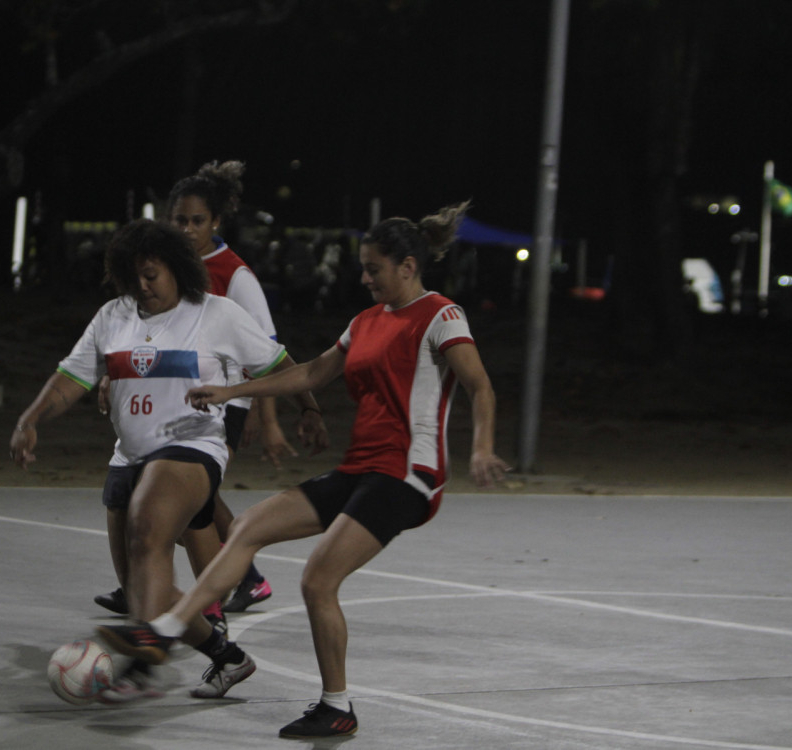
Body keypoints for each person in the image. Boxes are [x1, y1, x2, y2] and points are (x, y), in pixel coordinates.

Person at [97, 202, 511, 738]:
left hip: (407, 475)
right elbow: (314, 371)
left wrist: (481, 447)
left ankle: (336, 706)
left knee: (319, 579)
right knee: (246, 528)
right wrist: (233, 389)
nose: (363, 277)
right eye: (363, 267)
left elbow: (480, 385)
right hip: (361, 468)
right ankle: (164, 632)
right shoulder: (364, 321)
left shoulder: (441, 315)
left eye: (373, 268)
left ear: (408, 266)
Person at [10, 218, 294, 703]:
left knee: (147, 530)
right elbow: (72, 378)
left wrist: (303, 410)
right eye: (133, 277)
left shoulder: (215, 314)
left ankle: (142, 667)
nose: (142, 287)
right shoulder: (113, 317)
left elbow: (277, 364)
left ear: (177, 270)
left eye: (151, 275)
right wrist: (31, 417)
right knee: (147, 591)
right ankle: (227, 657)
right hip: (130, 455)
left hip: (192, 447)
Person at [94, 161, 328, 620]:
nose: (186, 228)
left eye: (196, 220)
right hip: (168, 396)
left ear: (216, 222)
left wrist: (270, 418)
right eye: (178, 219)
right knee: (187, 497)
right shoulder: (155, 269)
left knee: (178, 495)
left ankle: (207, 587)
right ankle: (207, 581)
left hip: (225, 400)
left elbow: (271, 351)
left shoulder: (235, 276)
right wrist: (111, 376)